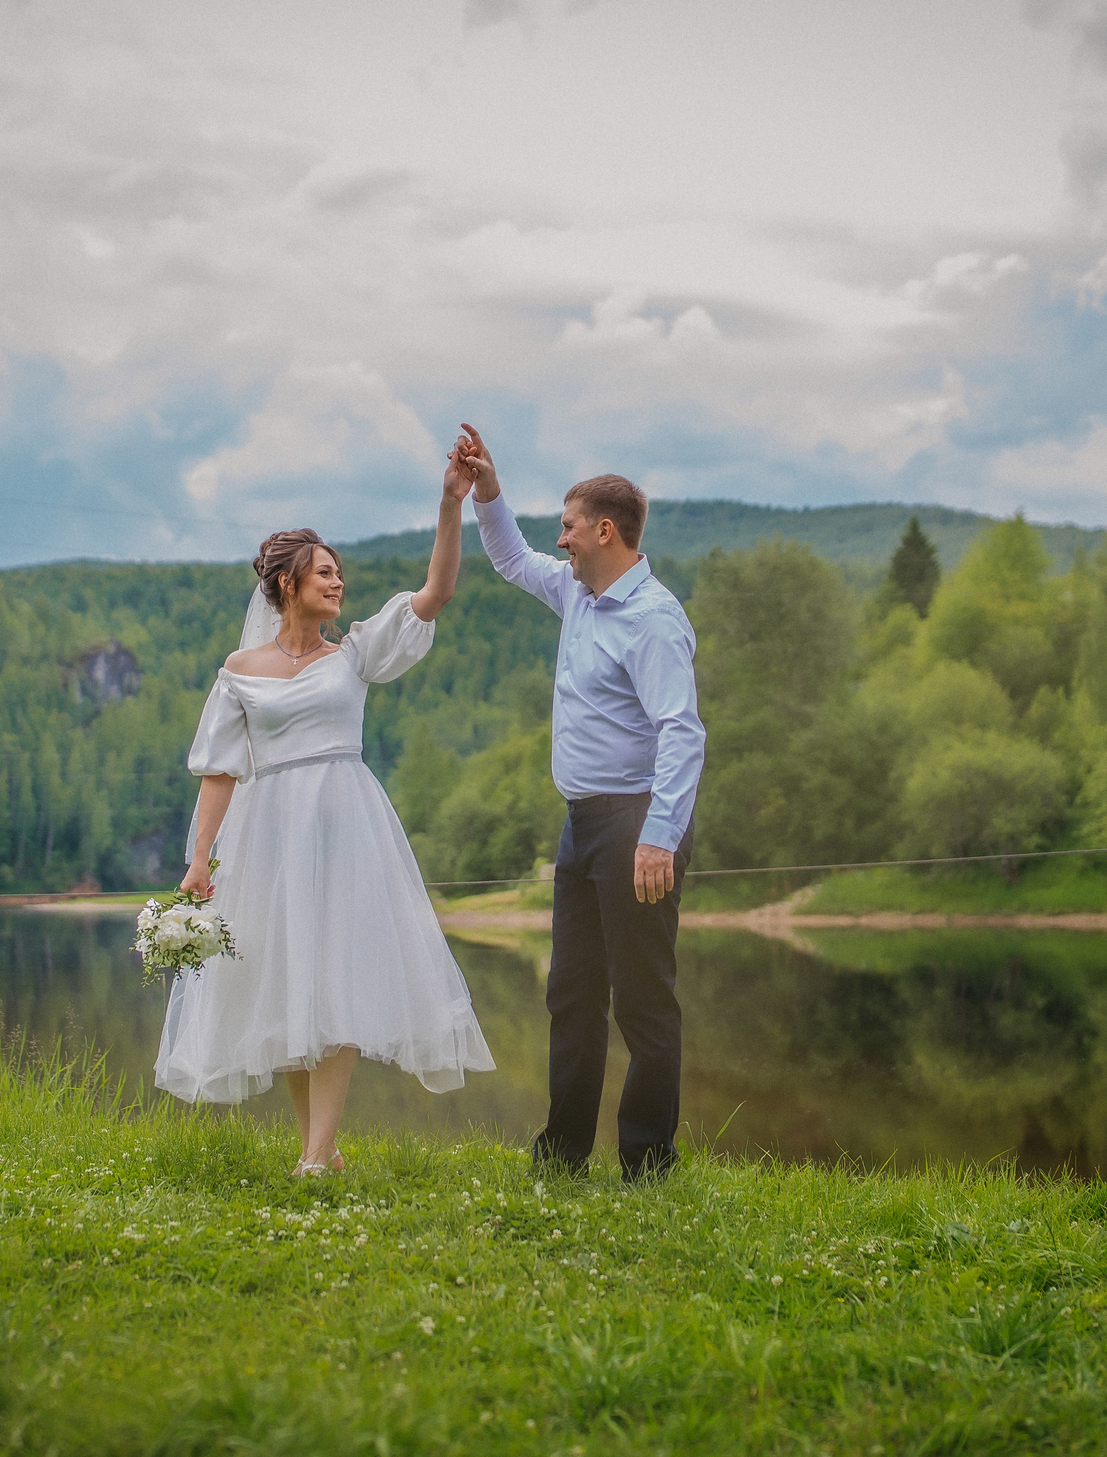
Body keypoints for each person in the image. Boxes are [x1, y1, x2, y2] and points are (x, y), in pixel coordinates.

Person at [152, 443, 494, 1175]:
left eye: (340, 573)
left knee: (337, 978)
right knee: (285, 983)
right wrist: (199, 860)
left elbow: (435, 592)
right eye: (326, 573)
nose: (339, 583)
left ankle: (313, 1158)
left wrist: (450, 503)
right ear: (288, 583)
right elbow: (219, 770)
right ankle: (323, 1149)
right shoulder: (240, 672)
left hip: (345, 824)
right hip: (268, 833)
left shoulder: (356, 654)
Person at [453, 425, 705, 1181]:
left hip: (637, 822)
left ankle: (648, 1163)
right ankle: (562, 1156)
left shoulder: (653, 618)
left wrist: (659, 837)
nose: (558, 540)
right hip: (583, 822)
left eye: (567, 526)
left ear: (604, 531)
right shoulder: (578, 593)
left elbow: (682, 732)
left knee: (644, 1002)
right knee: (571, 995)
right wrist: (487, 491)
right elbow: (510, 559)